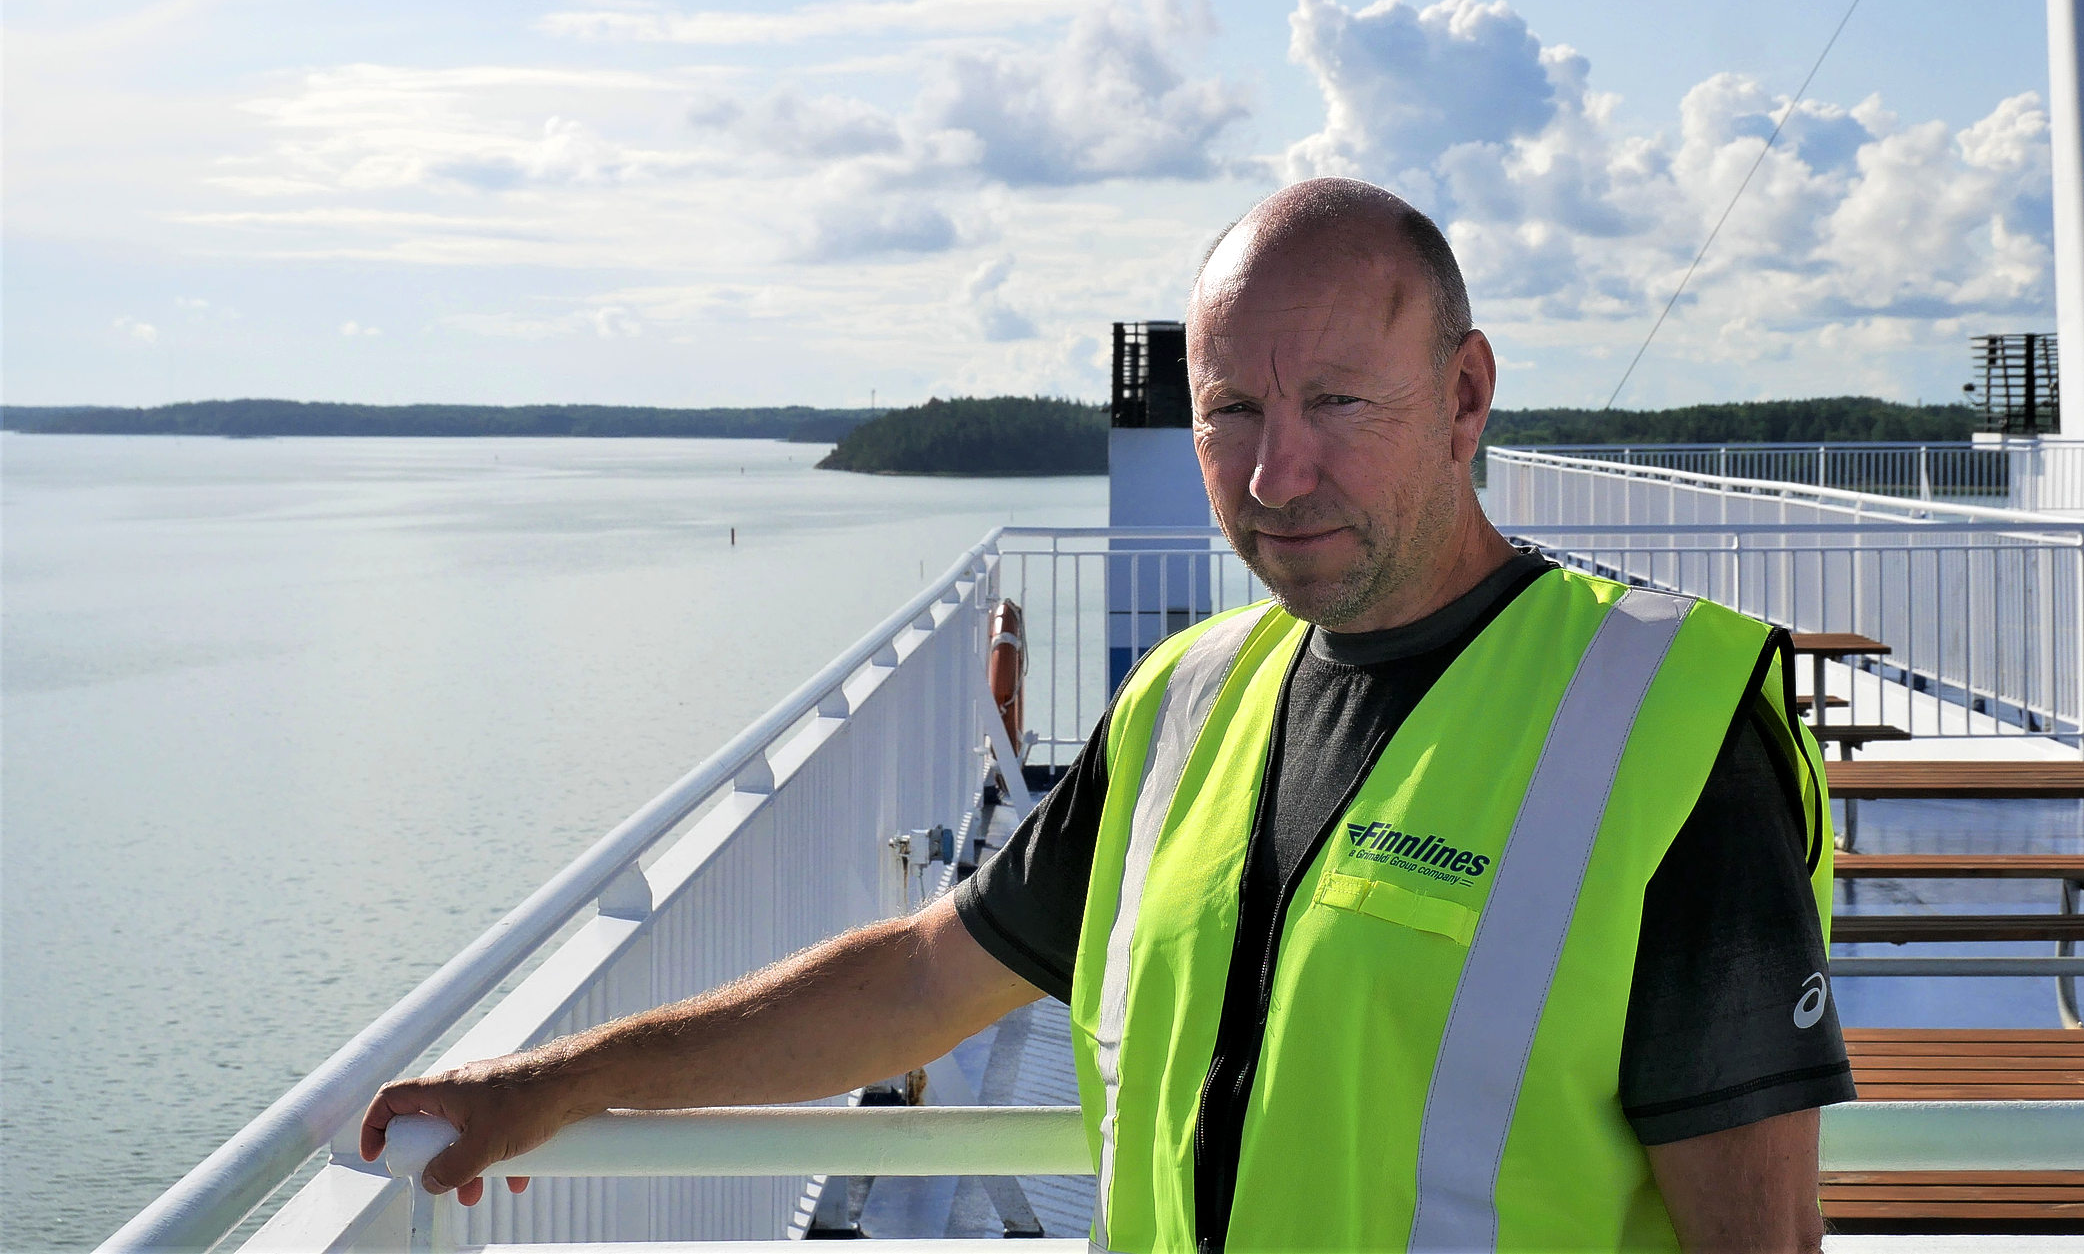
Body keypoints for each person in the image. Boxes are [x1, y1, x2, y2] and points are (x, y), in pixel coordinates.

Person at [364, 178, 1850, 1253]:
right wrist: (557, 1079)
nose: (1274, 476)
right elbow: (913, 985)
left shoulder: (1656, 727)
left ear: (1464, 397)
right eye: (1228, 411)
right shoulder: (1189, 700)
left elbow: (1758, 1242)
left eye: (1337, 402)